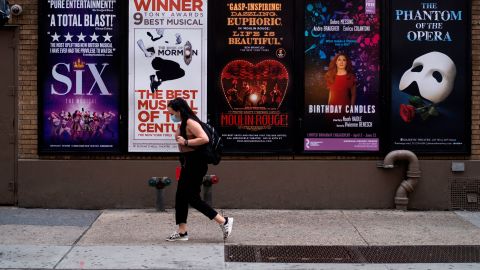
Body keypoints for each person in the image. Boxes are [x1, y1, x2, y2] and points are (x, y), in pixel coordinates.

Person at [165, 97, 233, 241]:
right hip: (188, 163)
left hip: (196, 163)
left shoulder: (190, 122)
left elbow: (204, 138)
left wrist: (186, 141)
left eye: (172, 113)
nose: (171, 116)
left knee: (192, 198)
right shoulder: (183, 123)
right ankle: (182, 232)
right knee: (181, 196)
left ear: (179, 111)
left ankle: (223, 221)